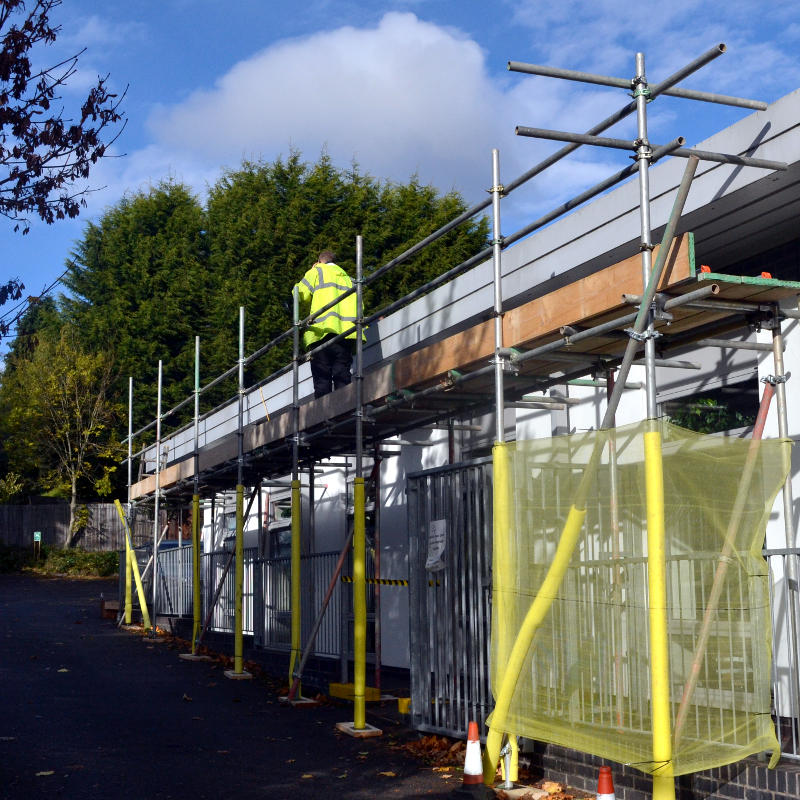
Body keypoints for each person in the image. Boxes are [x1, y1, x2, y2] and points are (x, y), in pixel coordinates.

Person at [294, 250, 363, 398]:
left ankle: (323, 417)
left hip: (321, 332)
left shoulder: (317, 271)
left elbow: (298, 295)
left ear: (320, 261)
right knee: (342, 375)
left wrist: (312, 270)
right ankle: (344, 412)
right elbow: (360, 308)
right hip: (345, 334)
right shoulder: (350, 280)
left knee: (322, 378)